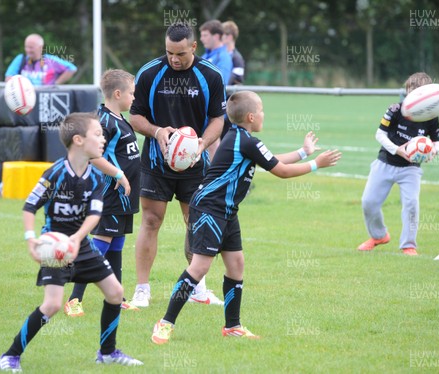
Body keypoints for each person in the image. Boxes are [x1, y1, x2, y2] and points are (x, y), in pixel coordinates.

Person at [150, 90, 341, 344]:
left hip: (226, 211)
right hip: (209, 208)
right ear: (251, 116)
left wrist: (304, 152)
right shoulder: (246, 141)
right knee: (199, 267)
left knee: (236, 264)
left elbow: (271, 160)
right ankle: (165, 323)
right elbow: (281, 171)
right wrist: (316, 164)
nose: (264, 115)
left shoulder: (241, 138)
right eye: (261, 111)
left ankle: (233, 326)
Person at [0, 113, 142, 371]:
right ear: (78, 140)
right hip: (54, 247)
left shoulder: (95, 177)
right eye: (97, 134)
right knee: (52, 305)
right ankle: (10, 356)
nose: (103, 139)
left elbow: (95, 214)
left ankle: (107, 352)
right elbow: (29, 207)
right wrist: (31, 241)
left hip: (80, 246)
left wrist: (78, 238)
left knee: (115, 293)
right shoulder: (56, 173)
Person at [129, 22, 226, 308]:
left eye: (181, 53)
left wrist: (202, 145)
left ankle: (198, 288)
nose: (174, 58)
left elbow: (218, 119)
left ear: (194, 47)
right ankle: (142, 289)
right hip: (156, 162)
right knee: (150, 221)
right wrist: (158, 132)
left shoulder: (211, 76)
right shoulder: (149, 73)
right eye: (170, 52)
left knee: (195, 222)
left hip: (195, 163)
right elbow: (136, 117)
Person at [63, 69, 140, 316]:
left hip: (124, 194)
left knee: (117, 244)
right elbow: (92, 155)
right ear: (118, 94)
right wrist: (118, 174)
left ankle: (117, 296)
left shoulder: (118, 117)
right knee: (101, 245)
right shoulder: (103, 122)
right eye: (132, 93)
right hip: (110, 192)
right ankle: (74, 299)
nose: (134, 98)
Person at [358, 72, 439, 256]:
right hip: (385, 162)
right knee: (368, 202)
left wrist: (433, 151)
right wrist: (397, 149)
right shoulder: (396, 109)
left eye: (418, 93)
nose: (412, 96)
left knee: (411, 204)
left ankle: (408, 245)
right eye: (410, 91)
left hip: (410, 168)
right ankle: (379, 236)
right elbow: (379, 134)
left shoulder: (431, 116)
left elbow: (436, 141)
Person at [4, 33, 77, 86]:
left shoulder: (50, 60)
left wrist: (55, 84)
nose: (28, 50)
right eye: (26, 47)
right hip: (25, 101)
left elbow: (72, 68)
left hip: (45, 99)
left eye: (31, 47)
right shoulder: (20, 59)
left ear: (40, 47)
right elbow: (9, 77)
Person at [199, 20, 232, 85]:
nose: (201, 39)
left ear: (216, 36)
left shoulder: (223, 57)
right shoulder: (205, 56)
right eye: (201, 35)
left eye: (205, 35)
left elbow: (221, 83)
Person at [222, 21, 245, 86]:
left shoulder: (237, 58)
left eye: (221, 35)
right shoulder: (218, 55)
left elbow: (238, 79)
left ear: (229, 37)